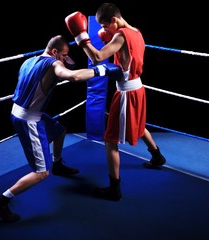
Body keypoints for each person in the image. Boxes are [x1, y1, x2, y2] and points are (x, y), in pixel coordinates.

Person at [0, 35, 123, 222]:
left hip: (21, 111)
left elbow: (35, 82)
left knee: (59, 130)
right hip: (29, 120)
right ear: (54, 52)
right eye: (63, 55)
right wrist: (101, 71)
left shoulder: (29, 61)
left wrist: (57, 72)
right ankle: (1, 202)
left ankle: (58, 163)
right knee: (41, 173)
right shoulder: (53, 64)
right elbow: (73, 76)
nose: (64, 59)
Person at [65, 3, 166, 201]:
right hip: (139, 89)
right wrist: (107, 37)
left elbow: (97, 57)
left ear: (114, 20)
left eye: (104, 26)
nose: (102, 31)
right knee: (139, 123)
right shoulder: (136, 31)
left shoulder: (120, 36)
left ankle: (114, 189)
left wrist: (81, 38)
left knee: (110, 141)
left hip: (126, 92)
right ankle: (157, 156)